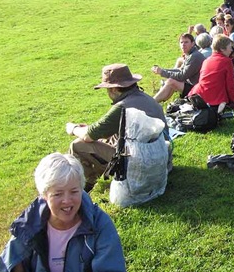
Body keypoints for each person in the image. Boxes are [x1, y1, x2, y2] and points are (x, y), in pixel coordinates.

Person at [67, 63, 168, 193]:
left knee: (78, 145)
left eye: (108, 89)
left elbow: (88, 135)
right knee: (107, 139)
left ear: (114, 89)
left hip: (140, 166)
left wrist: (73, 128)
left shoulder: (123, 106)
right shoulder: (146, 98)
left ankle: (85, 185)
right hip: (160, 160)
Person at [187, 34, 234, 108]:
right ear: (222, 49)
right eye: (230, 47)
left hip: (198, 94)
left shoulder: (207, 60)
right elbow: (230, 84)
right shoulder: (226, 61)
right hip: (214, 98)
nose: (231, 50)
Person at [152, 33, 205, 103]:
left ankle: (152, 103)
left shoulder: (195, 56)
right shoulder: (190, 54)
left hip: (198, 90)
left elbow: (182, 76)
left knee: (171, 81)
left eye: (186, 42)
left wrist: (162, 72)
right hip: (193, 85)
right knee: (171, 81)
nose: (183, 44)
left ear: (193, 43)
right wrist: (162, 70)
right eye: (181, 42)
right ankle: (155, 102)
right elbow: (180, 70)